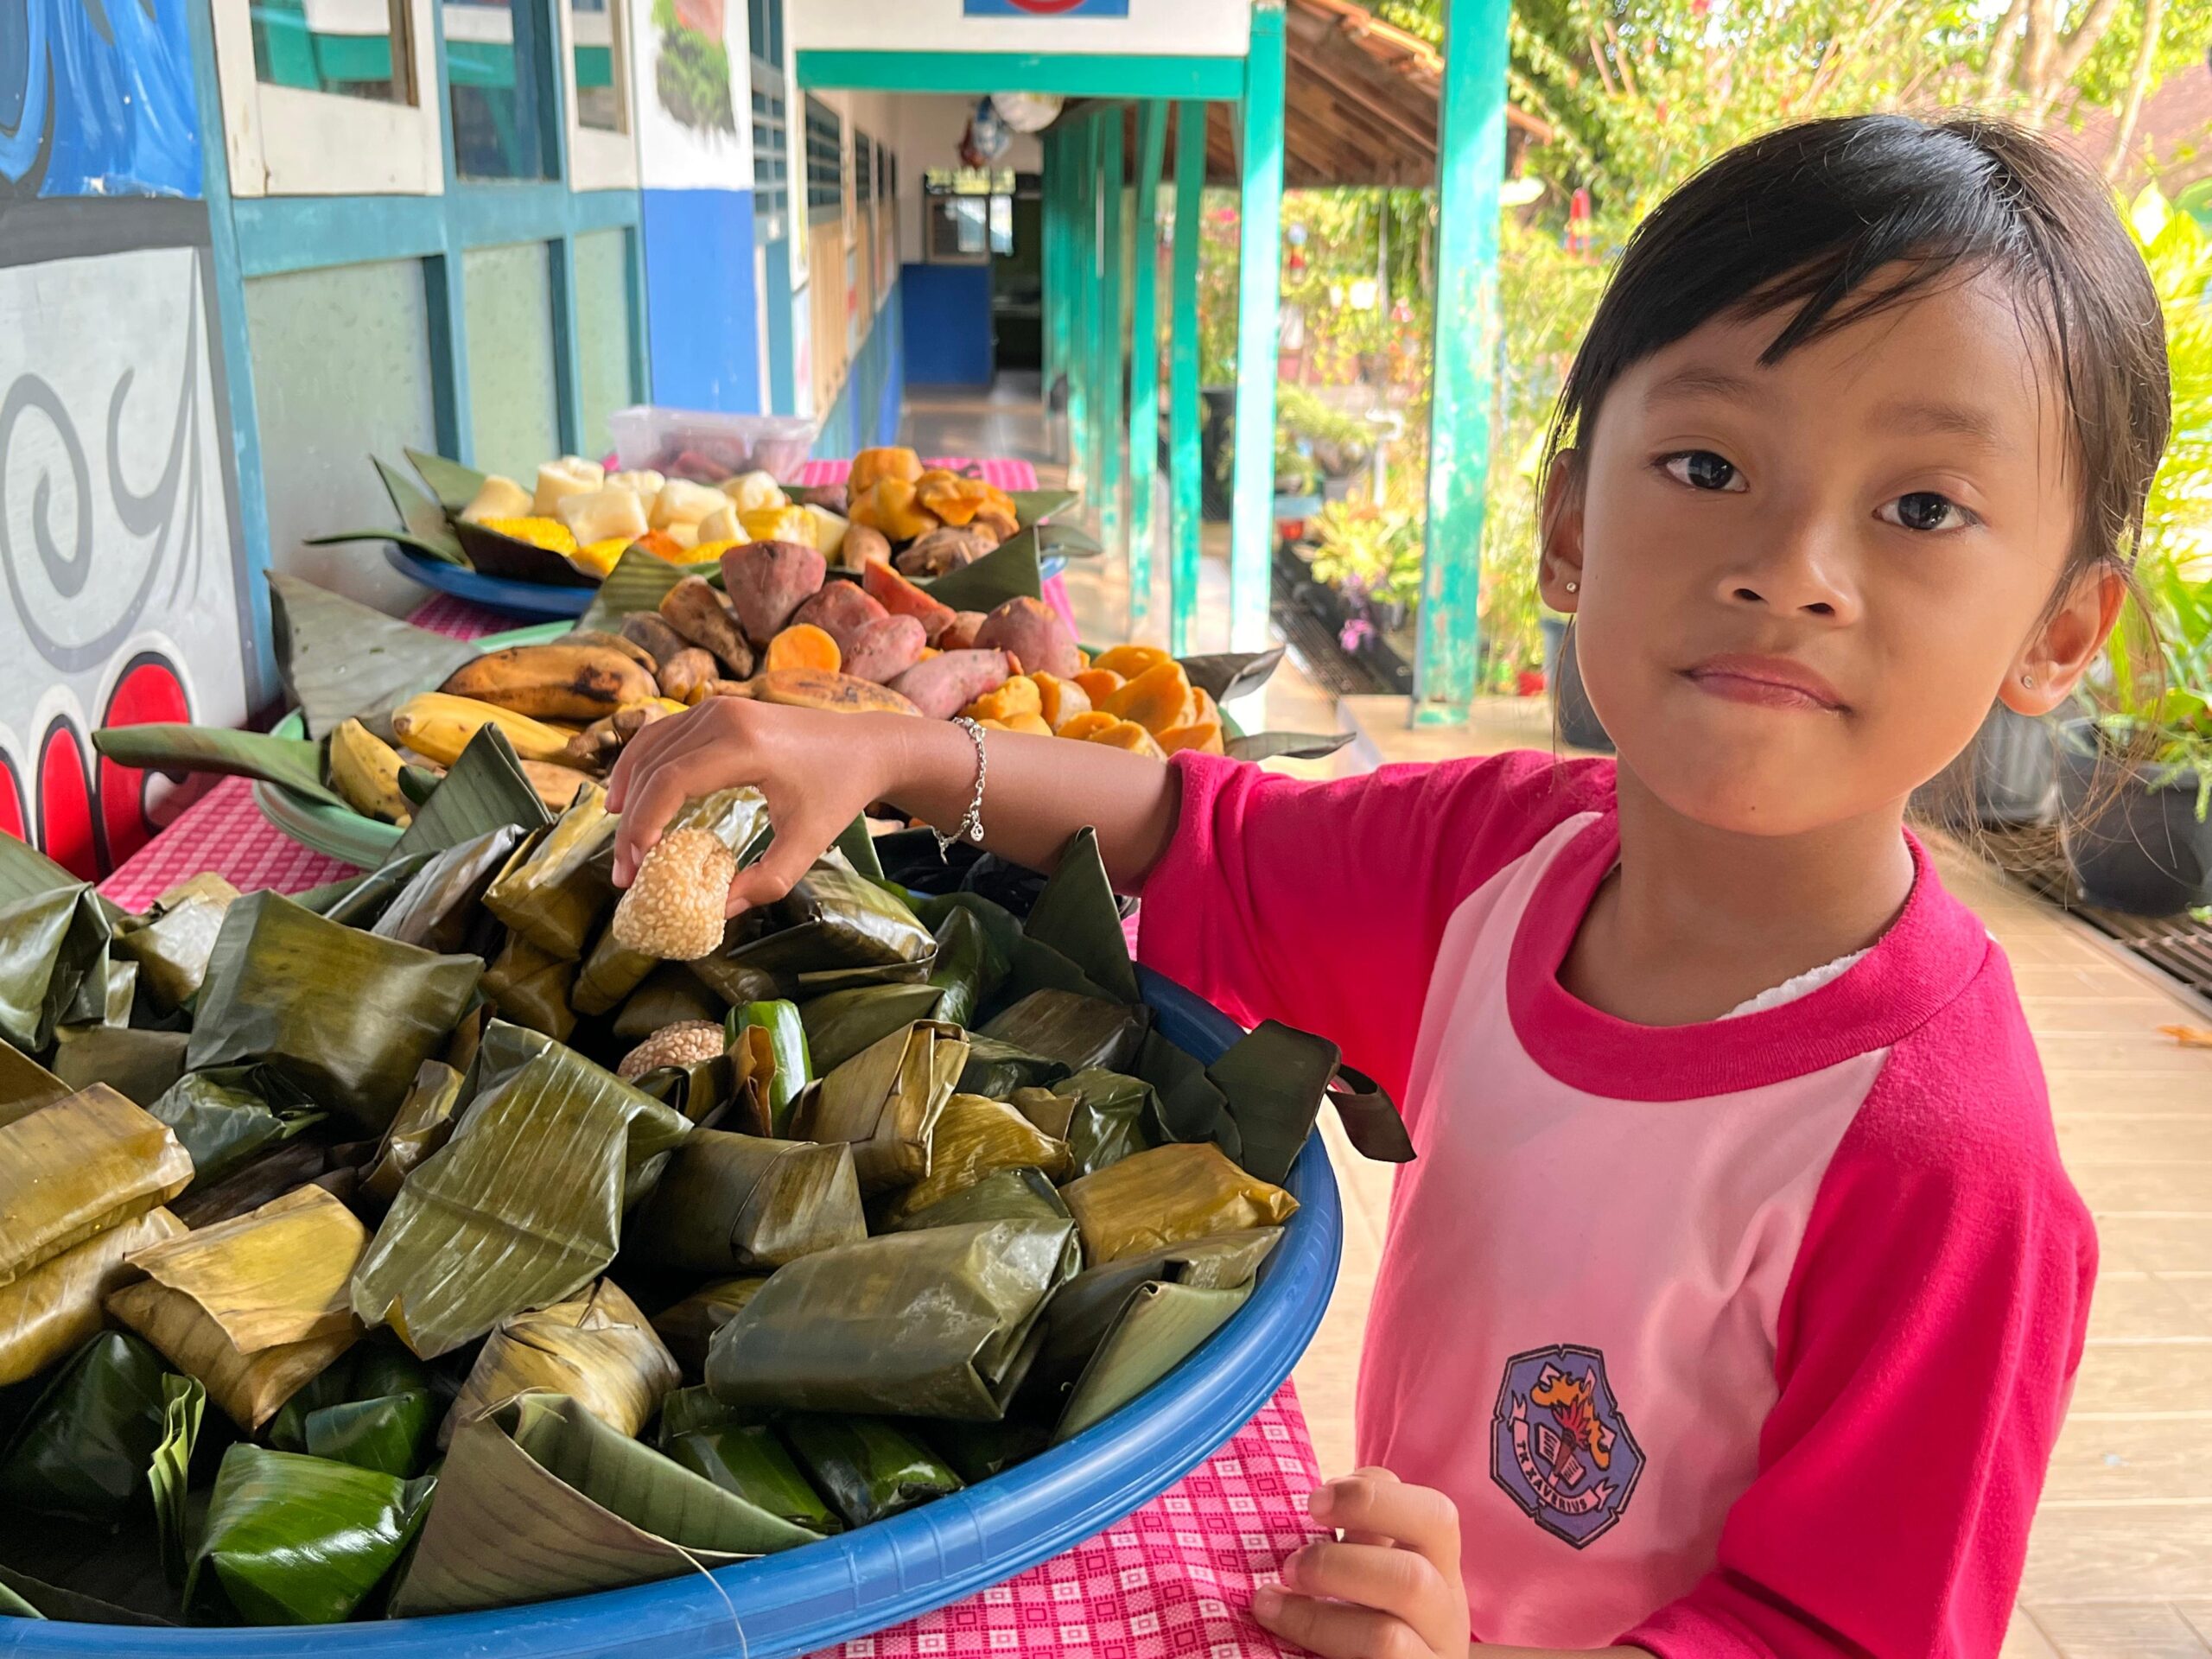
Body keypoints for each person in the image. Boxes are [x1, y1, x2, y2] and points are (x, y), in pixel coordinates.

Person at [609, 111, 2171, 1656]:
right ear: (1570, 530)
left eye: (1922, 508)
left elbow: (1837, 1630)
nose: (1795, 568)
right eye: (1709, 464)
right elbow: (1196, 834)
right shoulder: (1499, 862)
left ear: (2058, 633)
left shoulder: (1949, 1168)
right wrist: (889, 752)